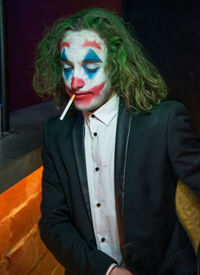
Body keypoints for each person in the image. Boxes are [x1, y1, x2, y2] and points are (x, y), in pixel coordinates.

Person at [33, 8, 200, 275]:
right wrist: (106, 271)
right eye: (67, 67)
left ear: (117, 63)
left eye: (90, 66)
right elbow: (54, 222)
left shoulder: (164, 121)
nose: (75, 81)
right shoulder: (56, 134)